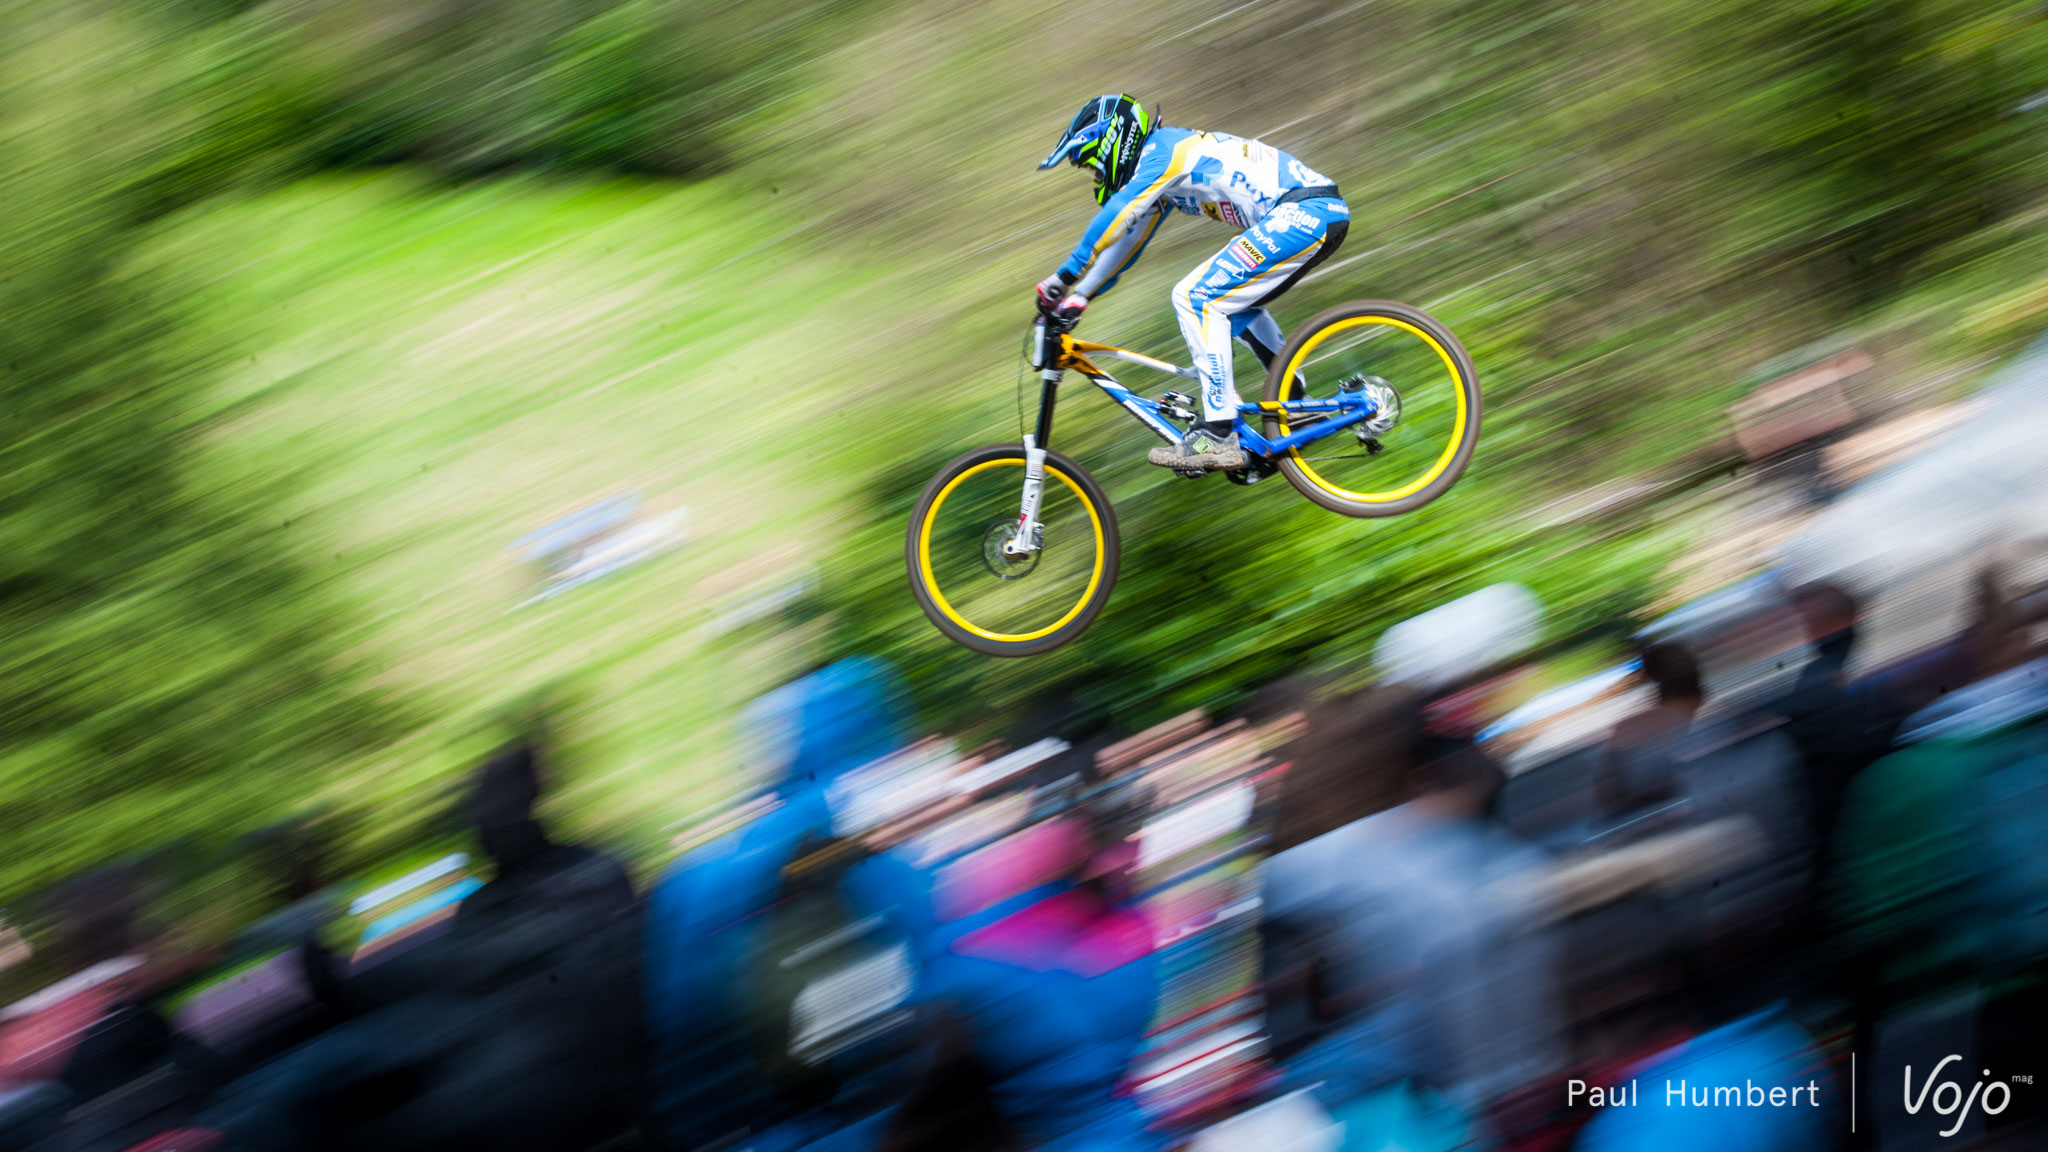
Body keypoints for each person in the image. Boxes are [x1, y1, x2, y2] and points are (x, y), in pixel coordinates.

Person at [1032, 94, 1352, 472]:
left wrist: (1064, 276)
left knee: (1194, 297)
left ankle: (1218, 431)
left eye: (1093, 167)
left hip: (1302, 213)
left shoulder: (1162, 152)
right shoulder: (1162, 168)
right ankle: (1297, 406)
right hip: (1315, 214)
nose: (1097, 179)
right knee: (1233, 306)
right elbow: (1128, 240)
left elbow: (1120, 213)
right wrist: (1082, 295)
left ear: (1113, 144)